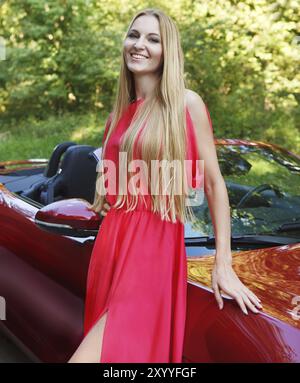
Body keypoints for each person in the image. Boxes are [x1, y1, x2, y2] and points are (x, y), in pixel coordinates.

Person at [68, 8, 263, 363]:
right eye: (134, 36)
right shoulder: (117, 115)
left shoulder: (185, 104)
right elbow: (113, 178)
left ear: (166, 50)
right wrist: (105, 191)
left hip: (152, 251)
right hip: (110, 247)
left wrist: (224, 263)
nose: (139, 45)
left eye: (152, 39)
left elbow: (216, 186)